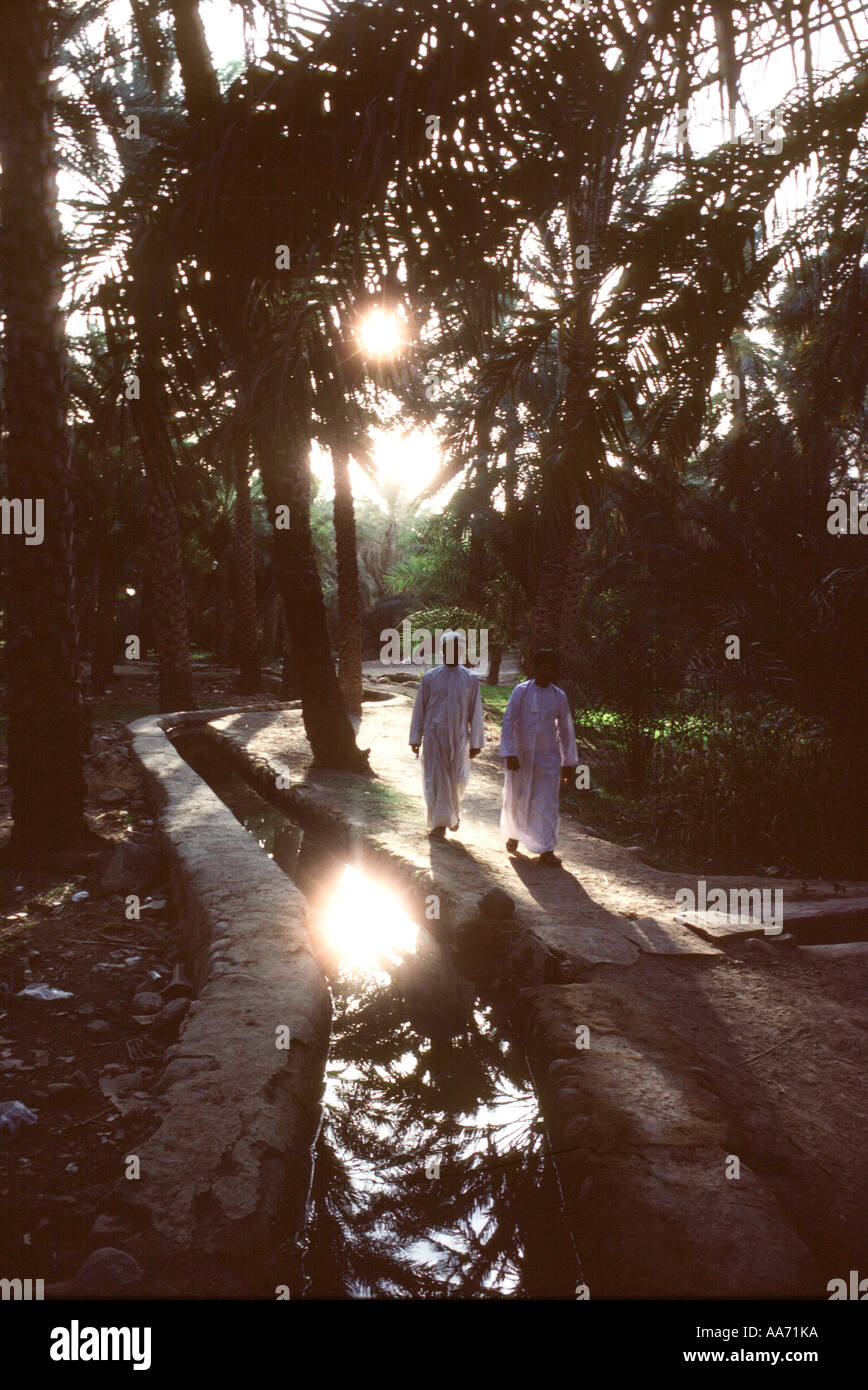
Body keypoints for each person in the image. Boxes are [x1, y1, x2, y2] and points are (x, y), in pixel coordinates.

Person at [499, 649, 577, 865]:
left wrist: (568, 762)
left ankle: (546, 849)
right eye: (544, 667)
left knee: (547, 802)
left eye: (551, 668)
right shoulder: (521, 691)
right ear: (536, 668)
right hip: (521, 758)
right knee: (517, 797)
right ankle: (514, 834)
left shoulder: (558, 696)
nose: (547, 671)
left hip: (548, 759)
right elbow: (508, 721)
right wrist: (510, 752)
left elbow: (566, 730)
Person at [409, 630, 485, 838]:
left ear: (461, 651)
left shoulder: (470, 679)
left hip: (459, 738)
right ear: (441, 650)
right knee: (436, 779)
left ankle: (452, 815)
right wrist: (416, 737)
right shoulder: (430, 677)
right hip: (434, 738)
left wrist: (476, 742)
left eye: (456, 648)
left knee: (458, 780)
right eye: (447, 648)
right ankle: (440, 824)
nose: (451, 652)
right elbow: (420, 709)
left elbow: (476, 712)